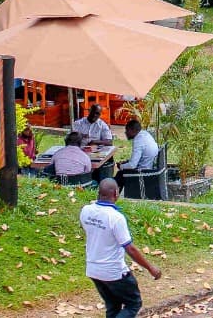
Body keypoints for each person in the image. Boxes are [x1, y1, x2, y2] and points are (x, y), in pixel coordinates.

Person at [80, 178, 160, 318]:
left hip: (93, 269)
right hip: (113, 271)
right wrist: (150, 268)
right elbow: (130, 249)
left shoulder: (86, 211)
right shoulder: (115, 217)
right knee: (133, 303)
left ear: (98, 193)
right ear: (116, 193)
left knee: (113, 306)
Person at [115, 119, 159, 189]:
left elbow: (132, 165)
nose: (126, 133)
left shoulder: (138, 141)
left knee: (119, 175)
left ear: (133, 130)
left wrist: (121, 166)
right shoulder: (145, 134)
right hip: (150, 169)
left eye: (127, 130)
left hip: (143, 173)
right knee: (120, 174)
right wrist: (127, 162)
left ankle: (111, 193)